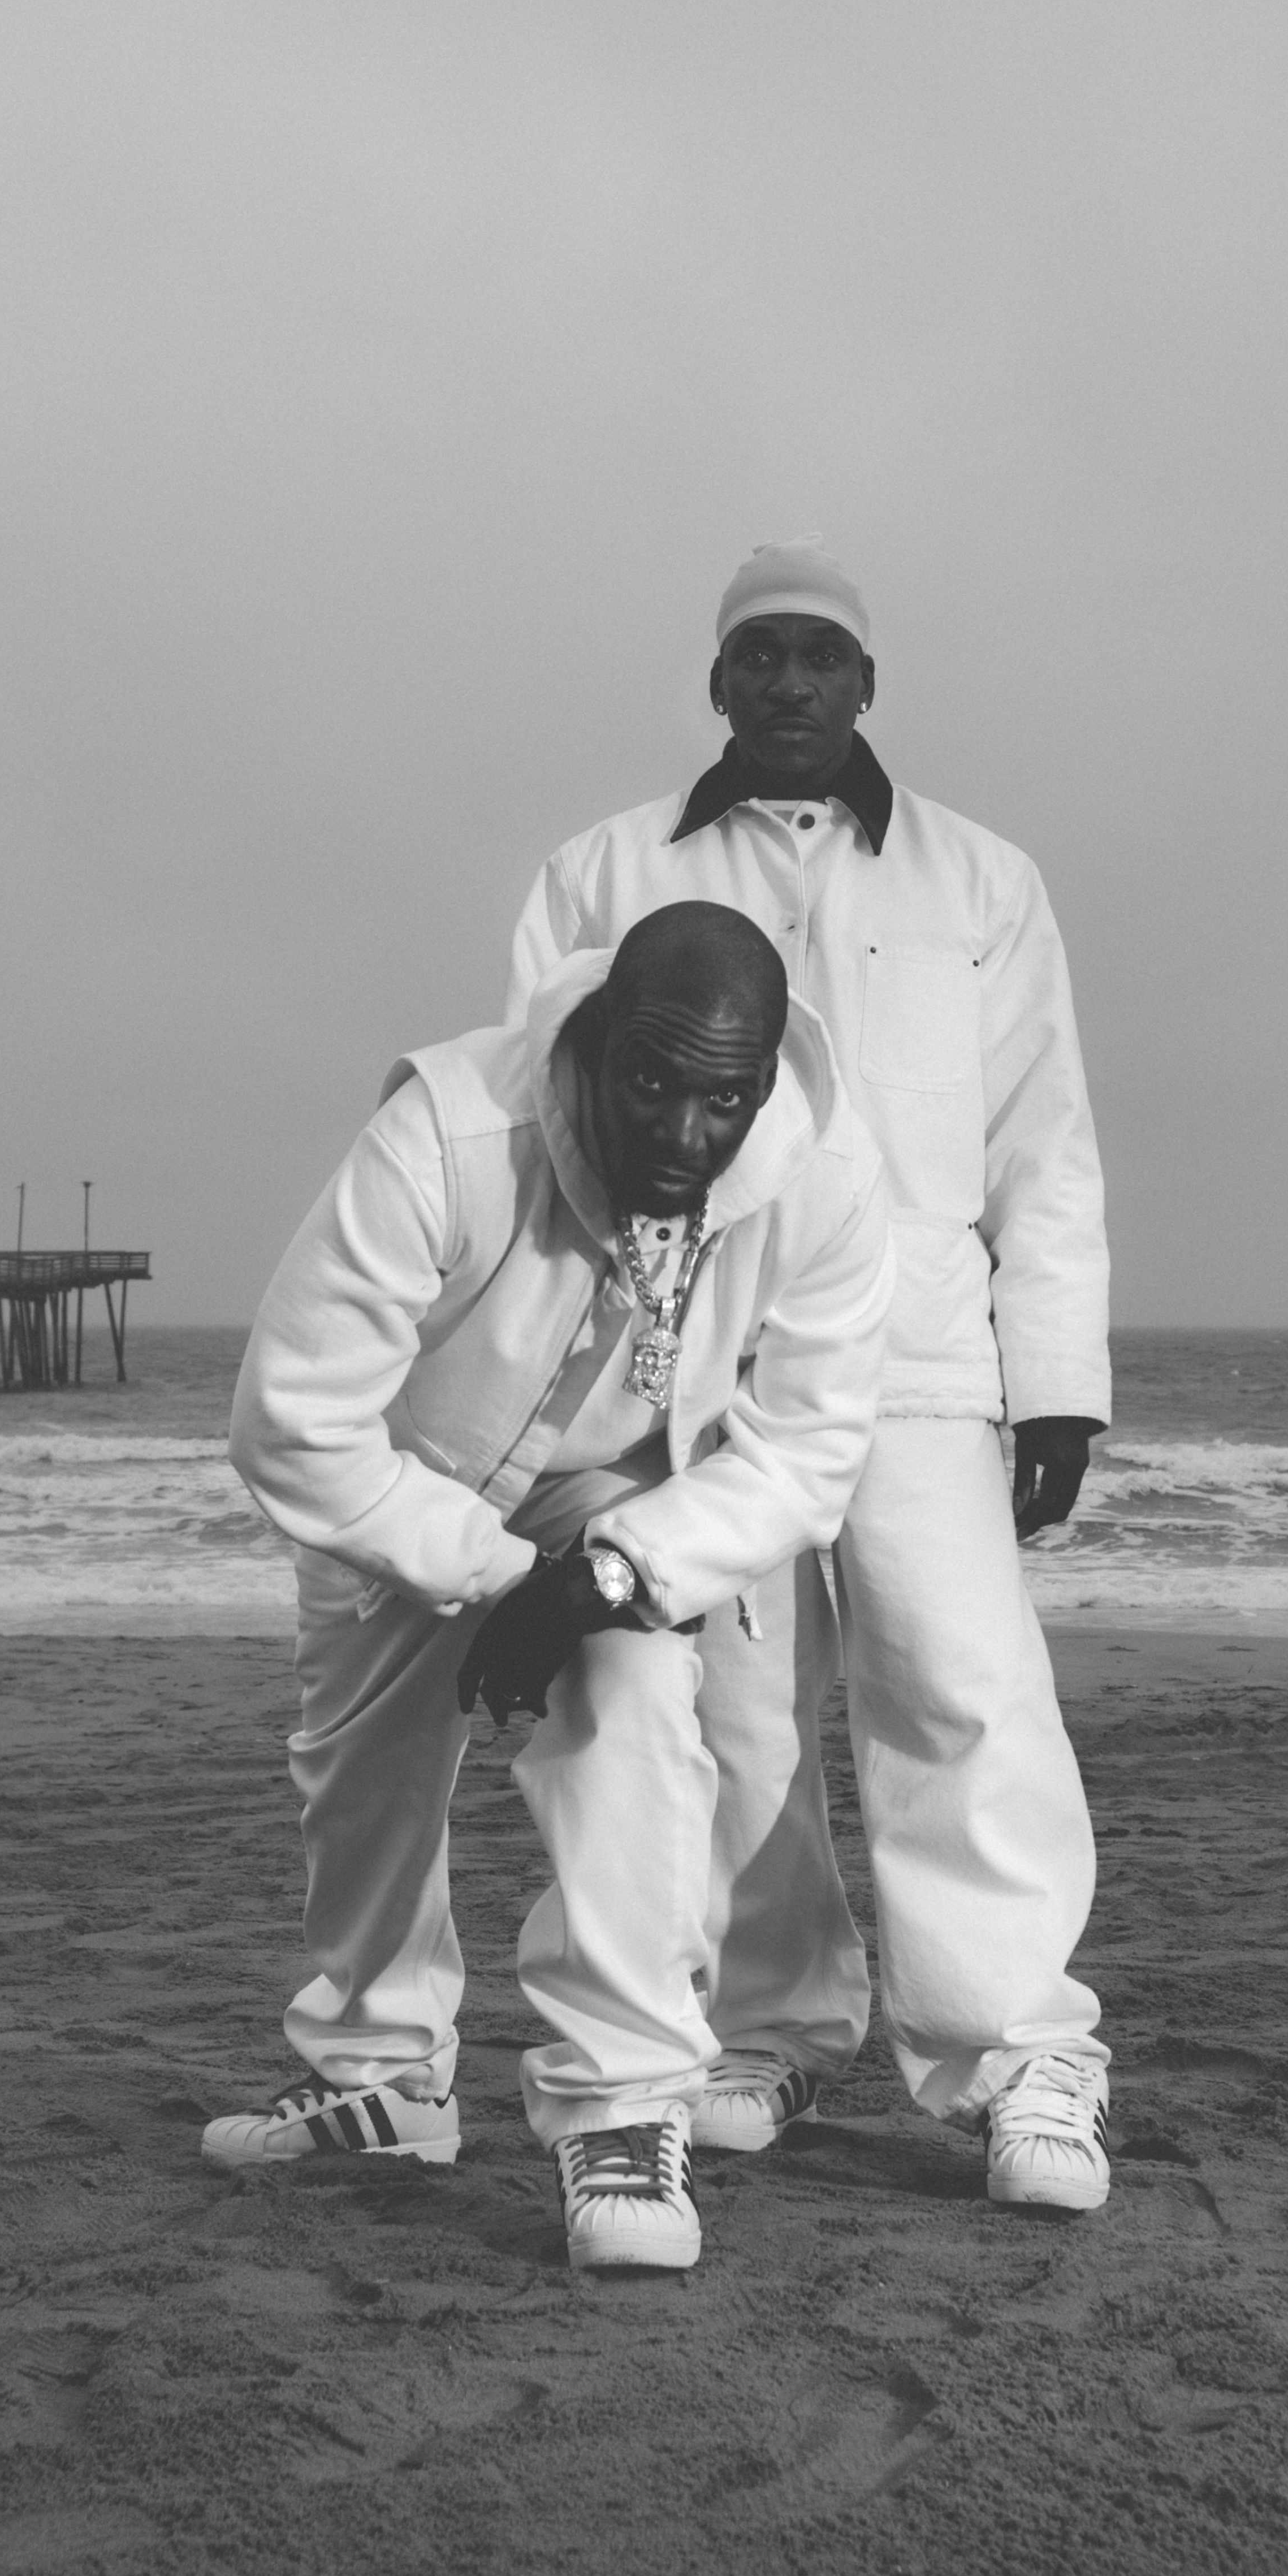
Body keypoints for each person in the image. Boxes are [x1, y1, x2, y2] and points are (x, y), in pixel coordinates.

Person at [505, 543, 1113, 2211]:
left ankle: (1020, 2061)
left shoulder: (983, 882)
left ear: (865, 685)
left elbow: (1041, 1144)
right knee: (737, 1715)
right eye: (756, 657)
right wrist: (577, 1390)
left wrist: (1054, 1378)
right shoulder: (602, 870)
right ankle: (762, 2029)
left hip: (922, 1357)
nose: (786, 685)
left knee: (958, 1689)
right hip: (697, 1356)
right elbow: (549, 1124)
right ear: (717, 681)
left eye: (819, 658)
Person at [208, 902, 892, 2271]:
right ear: (591, 1041)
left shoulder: (824, 1169)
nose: (685, 1134)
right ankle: (378, 2083)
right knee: (364, 1778)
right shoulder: (448, 1132)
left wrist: (611, 1573)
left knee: (636, 1699)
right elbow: (289, 1420)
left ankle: (627, 2110)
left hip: (619, 1496)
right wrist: (494, 1572)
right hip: (409, 1484)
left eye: (724, 1098)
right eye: (650, 1081)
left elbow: (808, 1449)